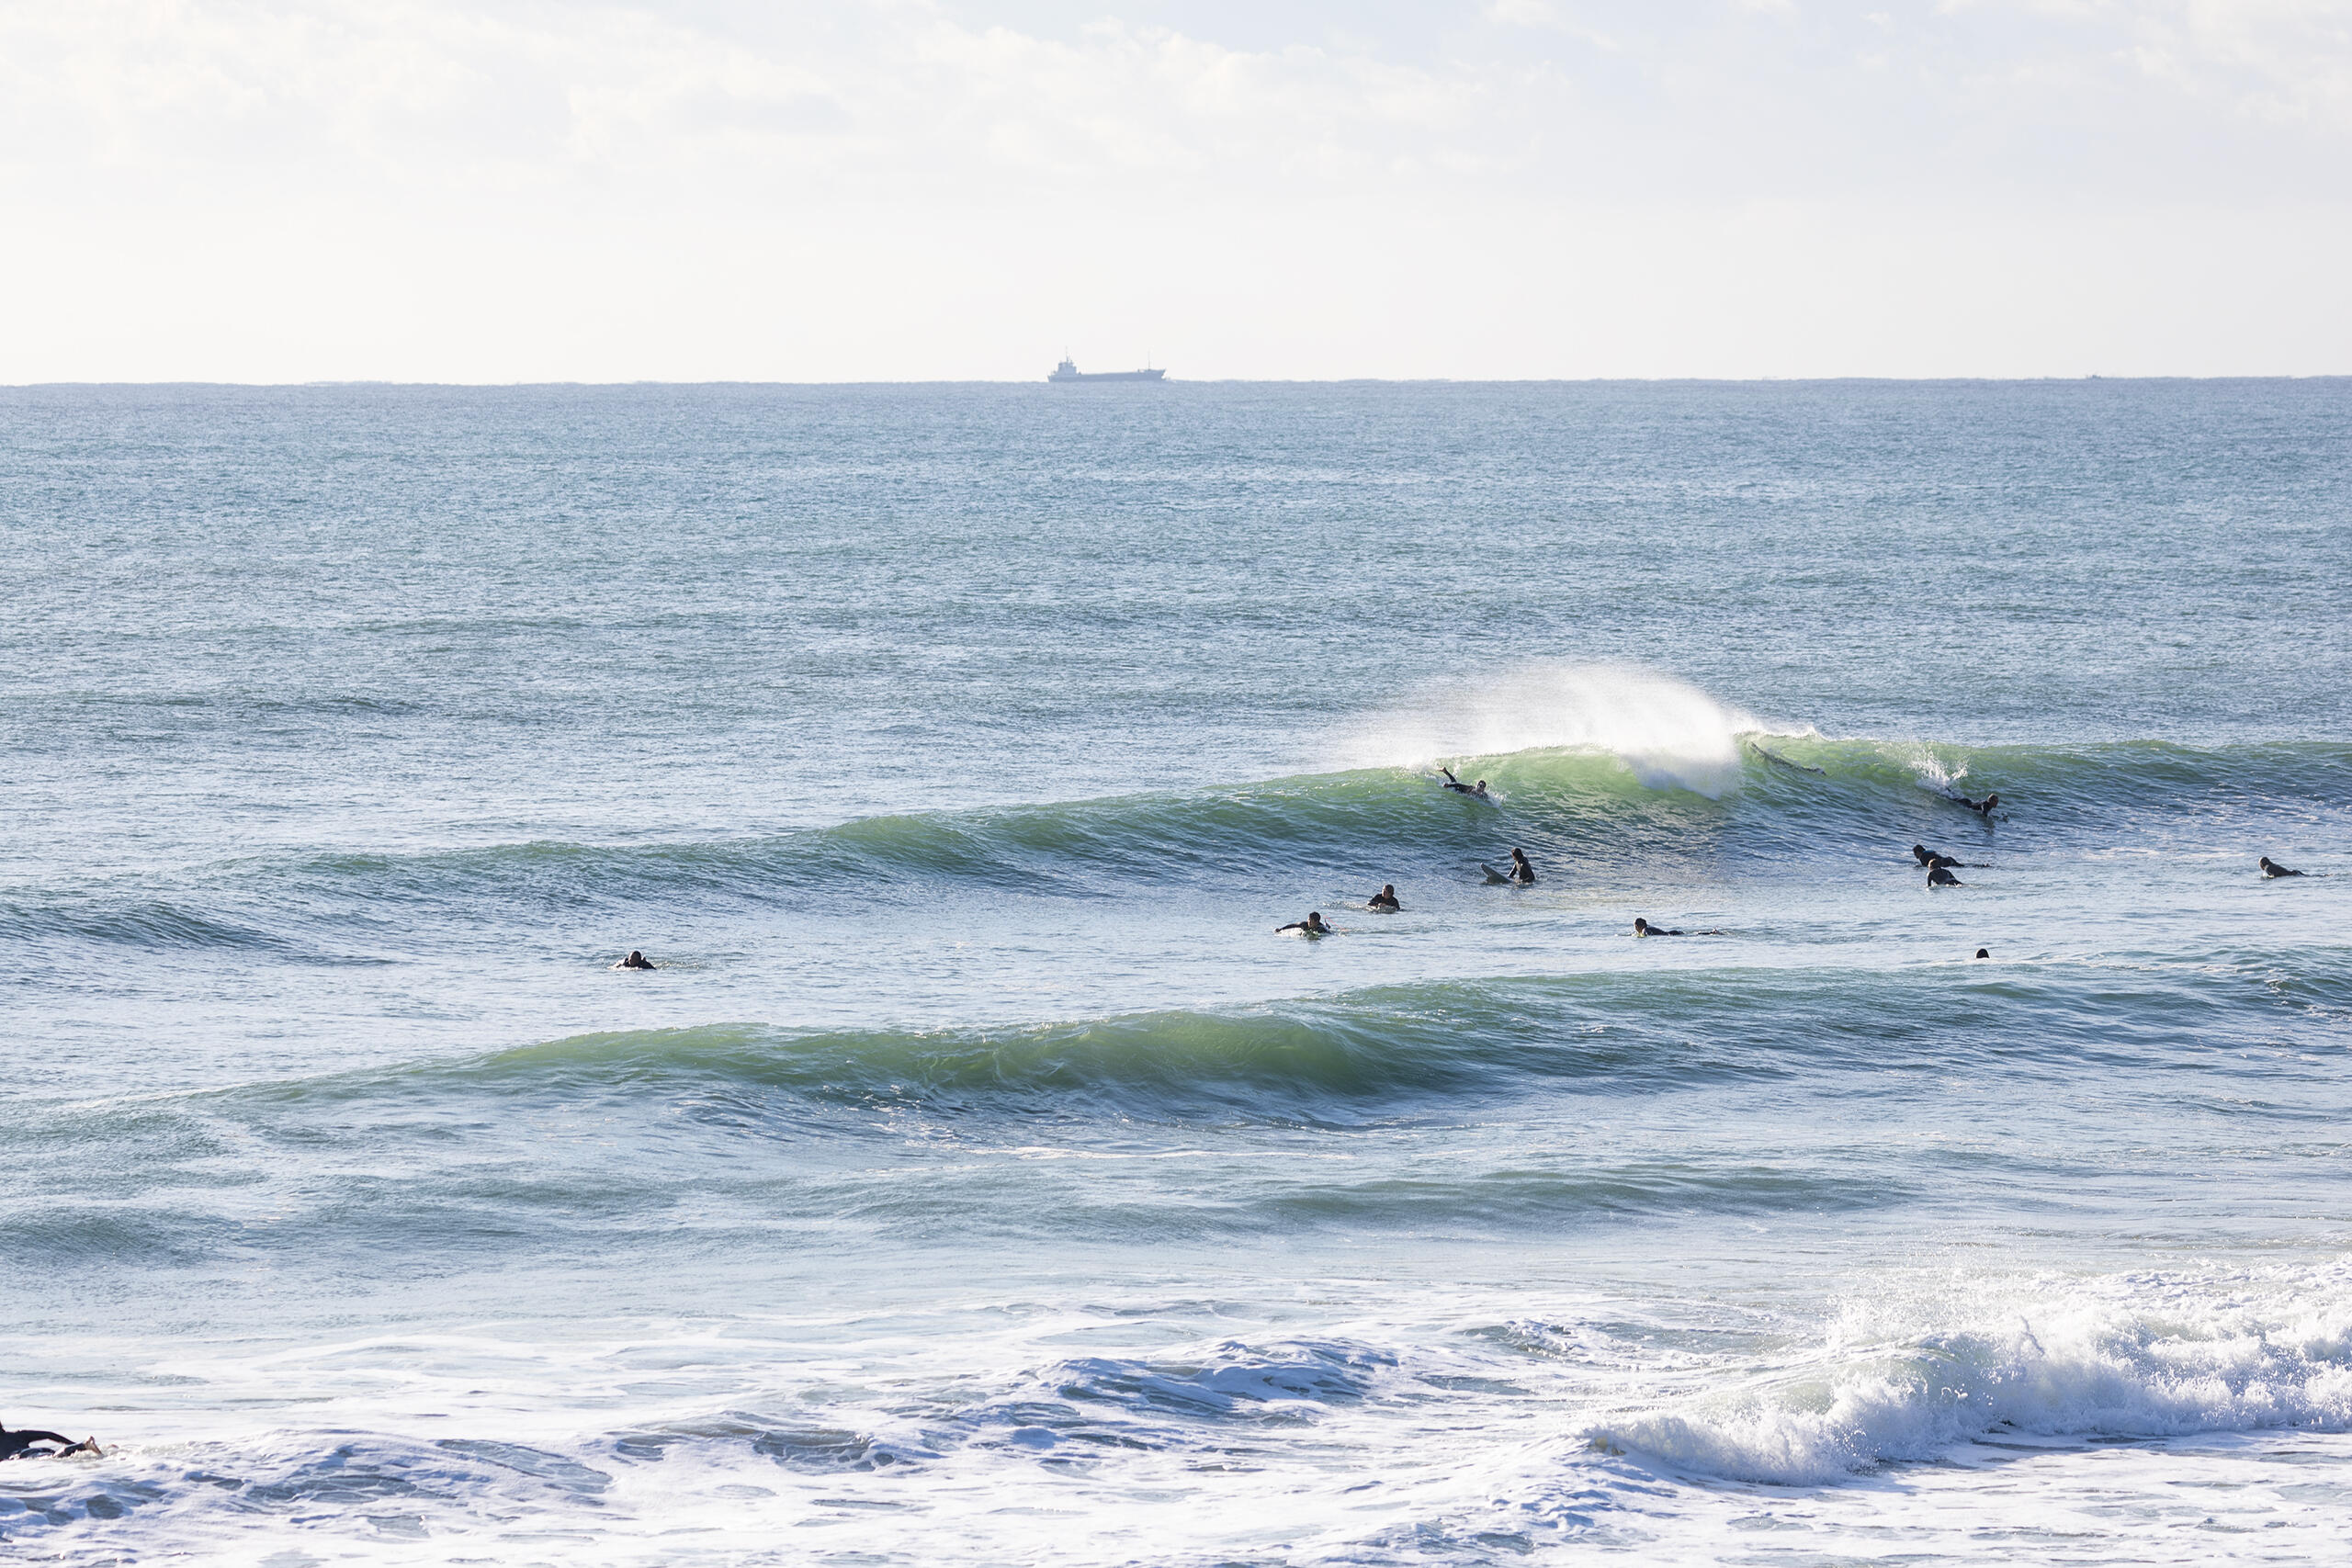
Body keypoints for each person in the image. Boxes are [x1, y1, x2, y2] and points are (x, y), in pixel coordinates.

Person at [0, 1425, 98, 1461]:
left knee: (54, 1458)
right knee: (58, 1456)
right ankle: (81, 1446)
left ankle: (84, 1445)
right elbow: (49, 1434)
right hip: (39, 1450)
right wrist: (72, 1444)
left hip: (23, 1456)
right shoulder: (19, 1434)